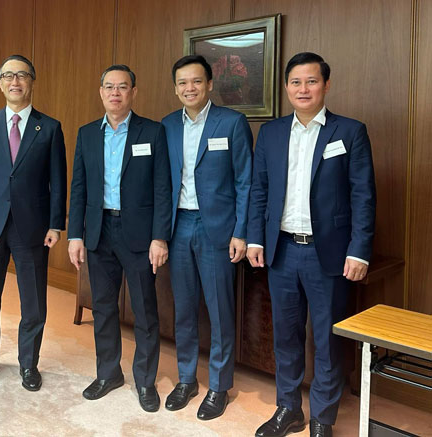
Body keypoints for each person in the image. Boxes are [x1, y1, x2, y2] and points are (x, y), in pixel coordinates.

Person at [247, 52, 376, 437]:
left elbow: (363, 196)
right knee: (285, 335)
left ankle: (323, 415)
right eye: (296, 82)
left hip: (330, 254)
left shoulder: (349, 131)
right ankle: (288, 408)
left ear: (326, 85)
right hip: (281, 250)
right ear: (287, 88)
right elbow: (259, 190)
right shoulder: (270, 133)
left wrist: (359, 249)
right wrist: (256, 237)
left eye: (312, 81)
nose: (303, 89)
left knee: (326, 337)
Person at [68, 64, 171, 412]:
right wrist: (74, 236)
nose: (115, 93)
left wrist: (160, 237)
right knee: (103, 308)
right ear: (100, 92)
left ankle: (145, 380)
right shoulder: (87, 134)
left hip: (140, 235)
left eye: (122, 87)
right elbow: (78, 188)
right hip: (98, 233)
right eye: (109, 87)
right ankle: (108, 373)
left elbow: (162, 189)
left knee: (144, 310)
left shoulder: (153, 133)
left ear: (133, 92)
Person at [0, 54, 67, 392]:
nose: (15, 81)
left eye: (21, 75)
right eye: (8, 75)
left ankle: (28, 365)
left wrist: (55, 224)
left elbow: (57, 181)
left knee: (33, 301)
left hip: (32, 227)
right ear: (0, 83)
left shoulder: (49, 127)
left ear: (32, 81)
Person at [161, 54, 252, 417]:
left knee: (219, 310)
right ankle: (186, 378)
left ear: (210, 84)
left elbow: (246, 181)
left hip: (218, 229)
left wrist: (242, 232)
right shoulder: (166, 125)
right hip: (178, 226)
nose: (189, 88)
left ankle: (219, 385)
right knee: (183, 309)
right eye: (182, 82)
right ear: (175, 88)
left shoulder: (231, 123)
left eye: (196, 81)